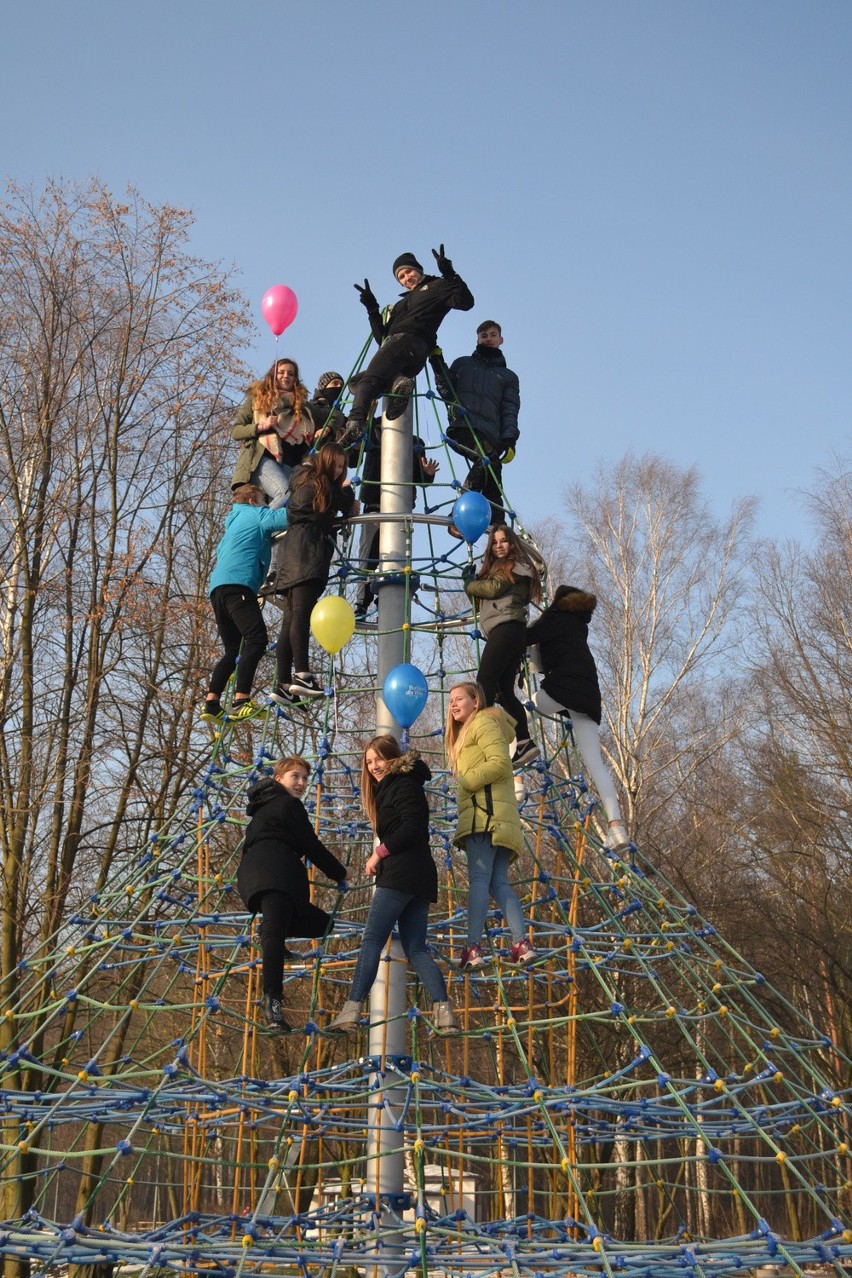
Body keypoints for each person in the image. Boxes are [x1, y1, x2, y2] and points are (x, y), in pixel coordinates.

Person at [326, 737, 456, 1036]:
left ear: (393, 758)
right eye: (369, 762)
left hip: (401, 874)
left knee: (372, 941)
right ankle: (444, 1013)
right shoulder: (396, 785)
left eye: (378, 760)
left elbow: (412, 826)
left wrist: (379, 852)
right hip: (418, 876)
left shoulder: (403, 784)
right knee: (415, 948)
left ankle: (351, 1011)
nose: (373, 767)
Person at [237, 756, 348, 1033]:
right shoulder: (288, 805)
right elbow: (310, 844)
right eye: (294, 777)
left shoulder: (260, 810)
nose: (300, 783)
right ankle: (273, 1006)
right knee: (275, 934)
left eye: (304, 779)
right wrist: (339, 873)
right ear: (279, 780)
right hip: (277, 871)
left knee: (322, 923)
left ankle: (269, 932)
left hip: (252, 876)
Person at [526, 586, 630, 852]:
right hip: (588, 696)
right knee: (595, 762)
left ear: (559, 602)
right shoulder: (578, 625)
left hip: (565, 686)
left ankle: (516, 779)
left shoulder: (556, 619)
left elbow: (527, 637)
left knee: (521, 710)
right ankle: (616, 826)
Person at [341, 246, 474, 443]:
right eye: (401, 277)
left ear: (418, 269)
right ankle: (399, 381)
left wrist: (449, 273)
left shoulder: (437, 286)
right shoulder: (401, 305)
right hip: (406, 353)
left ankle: (355, 423)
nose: (406, 278)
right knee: (355, 382)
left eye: (408, 271)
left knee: (369, 381)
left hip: (408, 341)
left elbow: (466, 302)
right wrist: (372, 308)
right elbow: (382, 339)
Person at [444, 682, 535, 969]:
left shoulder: (482, 722)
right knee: (498, 883)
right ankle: (520, 944)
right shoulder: (475, 727)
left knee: (480, 881)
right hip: (493, 815)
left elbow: (500, 763)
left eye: (459, 699)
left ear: (475, 701)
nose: (453, 704)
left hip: (485, 817)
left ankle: (473, 948)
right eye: (450, 701)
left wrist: (467, 781)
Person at [268, 443, 359, 703]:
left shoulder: (302, 480)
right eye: (336, 465)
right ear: (325, 463)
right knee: (300, 616)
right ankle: (302, 674)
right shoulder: (324, 486)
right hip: (309, 557)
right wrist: (348, 489)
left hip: (290, 556)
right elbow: (346, 500)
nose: (339, 470)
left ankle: (283, 682)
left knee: (290, 619)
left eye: (342, 467)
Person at [202, 484, 288, 724]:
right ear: (252, 500)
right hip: (238, 586)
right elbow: (281, 518)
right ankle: (241, 700)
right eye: (262, 499)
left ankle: (211, 702)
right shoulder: (255, 514)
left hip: (218, 590)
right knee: (257, 639)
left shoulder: (232, 524)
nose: (264, 503)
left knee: (233, 650)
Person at [463, 525, 543, 767]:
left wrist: (469, 583)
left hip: (507, 629)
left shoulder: (517, 565)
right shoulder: (499, 569)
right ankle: (524, 742)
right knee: (502, 691)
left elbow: (493, 588)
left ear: (513, 544)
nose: (499, 545)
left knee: (484, 681)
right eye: (495, 542)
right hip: (508, 632)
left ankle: (480, 735)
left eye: (504, 541)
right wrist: (472, 584)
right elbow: (480, 600)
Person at [432, 320, 520, 523]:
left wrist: (510, 439)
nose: (488, 339)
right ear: (477, 339)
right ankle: (461, 509)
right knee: (486, 459)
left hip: (491, 434)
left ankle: (498, 523)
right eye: (484, 336)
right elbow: (447, 390)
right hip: (463, 427)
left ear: (500, 339)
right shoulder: (464, 364)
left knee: (493, 472)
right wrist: (437, 362)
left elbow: (510, 408)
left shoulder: (508, 377)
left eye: (492, 335)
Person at [353, 425, 439, 618]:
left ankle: (384, 602)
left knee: (392, 558)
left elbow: (420, 477)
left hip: (401, 509)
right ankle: (362, 603)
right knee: (367, 557)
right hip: (374, 504)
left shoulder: (415, 442)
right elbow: (356, 450)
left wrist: (428, 474)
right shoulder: (374, 431)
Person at [230, 359, 315, 508]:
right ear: (273, 375)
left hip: (289, 462)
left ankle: (274, 530)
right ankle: (262, 524)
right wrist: (261, 426)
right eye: (281, 372)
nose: (286, 376)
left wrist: (327, 428)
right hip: (262, 458)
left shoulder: (301, 406)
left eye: (291, 373)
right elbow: (236, 431)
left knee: (295, 499)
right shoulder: (257, 399)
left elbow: (333, 415)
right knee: (285, 494)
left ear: (295, 378)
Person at [307, 370, 347, 447]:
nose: (339, 386)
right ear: (324, 387)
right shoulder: (311, 408)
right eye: (335, 383)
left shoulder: (344, 420)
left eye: (341, 385)